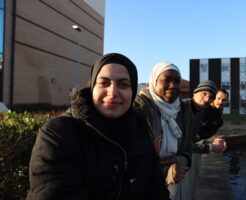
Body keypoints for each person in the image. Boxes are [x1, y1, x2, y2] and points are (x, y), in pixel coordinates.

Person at [26, 53, 170, 200]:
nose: (113, 92)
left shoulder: (139, 132)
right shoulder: (59, 132)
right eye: (104, 83)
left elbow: (157, 189)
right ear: (92, 87)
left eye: (123, 84)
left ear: (133, 92)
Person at [134, 62, 193, 200]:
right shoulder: (139, 108)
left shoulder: (183, 110)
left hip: (171, 185)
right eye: (166, 80)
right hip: (143, 186)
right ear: (154, 81)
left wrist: (178, 161)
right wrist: (161, 168)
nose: (172, 86)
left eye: (177, 81)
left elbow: (188, 148)